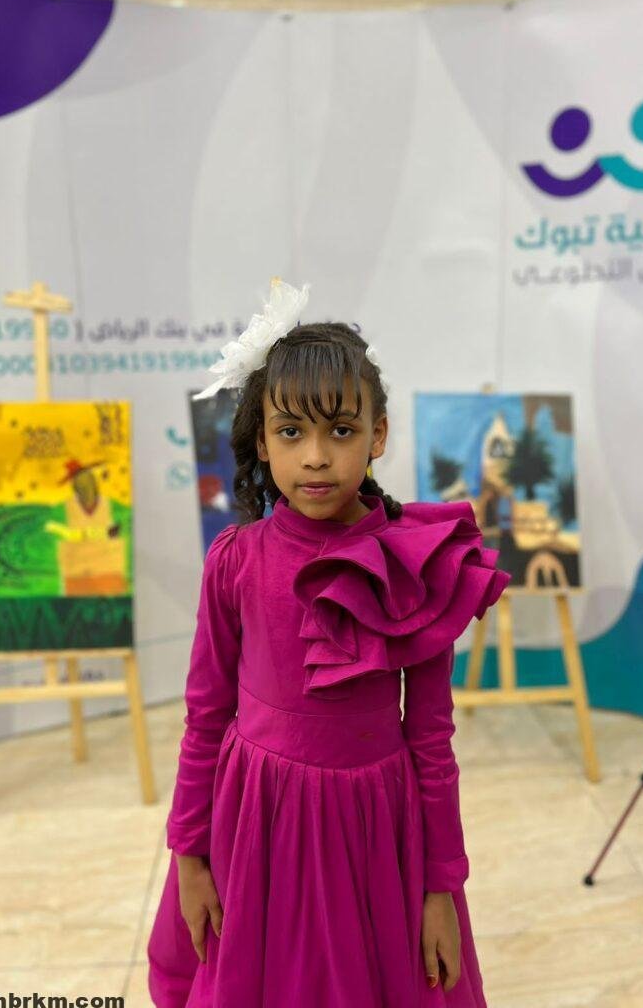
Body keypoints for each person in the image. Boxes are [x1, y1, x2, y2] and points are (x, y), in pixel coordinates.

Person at [147, 279, 511, 1007]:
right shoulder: (236, 561)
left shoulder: (416, 568)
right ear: (261, 440)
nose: (316, 457)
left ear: (378, 435)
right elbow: (205, 717)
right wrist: (189, 855)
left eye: (340, 431)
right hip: (257, 824)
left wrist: (441, 889)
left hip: (375, 834)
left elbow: (431, 739)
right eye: (291, 433)